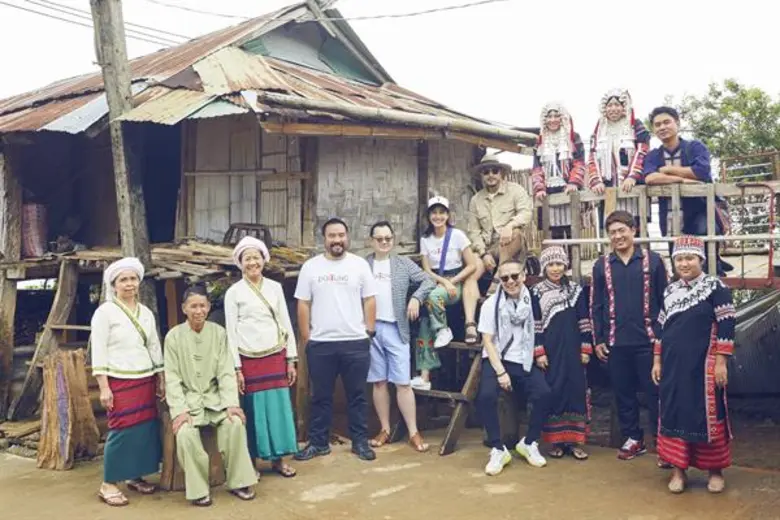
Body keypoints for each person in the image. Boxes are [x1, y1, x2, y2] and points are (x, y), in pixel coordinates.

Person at [652, 236, 735, 494]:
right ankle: (678, 470)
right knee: (674, 412)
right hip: (673, 367)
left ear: (701, 260)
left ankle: (715, 471)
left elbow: (727, 324)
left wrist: (721, 362)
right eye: (679, 259)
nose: (684, 264)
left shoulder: (715, 287)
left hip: (703, 366)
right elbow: (661, 329)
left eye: (689, 258)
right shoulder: (670, 290)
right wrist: (657, 360)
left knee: (709, 415)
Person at [294, 218, 378, 461]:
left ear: (347, 236)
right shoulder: (311, 267)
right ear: (325, 239)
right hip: (321, 344)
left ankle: (360, 442)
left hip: (355, 342)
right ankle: (318, 442)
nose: (337, 240)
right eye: (332, 236)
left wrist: (369, 331)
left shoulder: (359, 265)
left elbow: (370, 299)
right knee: (320, 397)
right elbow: (303, 303)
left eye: (341, 235)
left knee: (358, 395)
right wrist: (307, 337)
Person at [164, 285, 257, 506]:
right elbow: (172, 378)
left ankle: (240, 481)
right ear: (184, 308)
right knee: (185, 433)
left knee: (235, 424)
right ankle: (198, 489)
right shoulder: (173, 337)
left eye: (202, 306)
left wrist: (231, 404)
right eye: (193, 306)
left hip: (215, 400)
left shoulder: (219, 333)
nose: (198, 311)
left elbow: (225, 372)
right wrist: (179, 411)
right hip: (189, 402)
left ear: (208, 307)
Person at [590, 210, 669, 464]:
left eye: (622, 230)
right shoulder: (601, 265)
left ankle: (665, 444)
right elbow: (596, 305)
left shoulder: (653, 261)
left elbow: (666, 300)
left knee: (655, 394)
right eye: (612, 232)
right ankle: (634, 439)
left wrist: (662, 337)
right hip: (615, 343)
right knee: (623, 394)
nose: (617, 236)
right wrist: (598, 339)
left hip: (648, 342)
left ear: (633, 230)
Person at [91, 257, 164, 507]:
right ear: (114, 285)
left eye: (133, 279)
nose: (129, 284)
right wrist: (104, 387)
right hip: (119, 380)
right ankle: (108, 483)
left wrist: (160, 377)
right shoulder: (105, 313)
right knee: (121, 429)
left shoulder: (146, 313)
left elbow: (154, 345)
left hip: (145, 378)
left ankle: (135, 475)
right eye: (123, 280)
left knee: (144, 429)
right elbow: (99, 350)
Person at [224, 236, 298, 478]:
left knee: (279, 408)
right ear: (240, 263)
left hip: (276, 355)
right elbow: (231, 332)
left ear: (264, 260)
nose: (252, 263)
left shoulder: (275, 288)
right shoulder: (233, 293)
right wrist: (236, 368)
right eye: (247, 259)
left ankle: (279, 460)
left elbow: (285, 323)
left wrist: (291, 359)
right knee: (253, 411)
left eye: (256, 257)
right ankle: (252, 463)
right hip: (248, 358)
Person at [475, 260, 553, 476]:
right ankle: (498, 448)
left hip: (523, 358)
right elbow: (487, 341)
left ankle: (529, 442)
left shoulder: (533, 301)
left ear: (523, 276)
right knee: (486, 396)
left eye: (515, 276)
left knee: (544, 393)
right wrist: (500, 372)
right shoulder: (491, 304)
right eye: (505, 278)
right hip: (498, 358)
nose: (510, 281)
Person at [365, 221, 436, 452]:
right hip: (371, 329)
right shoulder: (363, 265)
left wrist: (416, 298)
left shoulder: (403, 263)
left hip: (397, 328)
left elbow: (428, 280)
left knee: (403, 383)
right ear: (371, 241)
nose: (384, 242)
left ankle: (413, 431)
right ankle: (385, 429)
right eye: (379, 239)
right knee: (379, 382)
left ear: (393, 240)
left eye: (388, 238)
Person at [643, 106, 732, 275]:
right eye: (657, 124)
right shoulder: (654, 155)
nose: (662, 127)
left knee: (706, 261)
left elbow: (701, 172)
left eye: (667, 122)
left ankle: (715, 270)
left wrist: (666, 170)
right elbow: (649, 178)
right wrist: (682, 180)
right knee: (679, 266)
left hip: (700, 213)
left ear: (677, 123)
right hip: (669, 217)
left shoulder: (694, 147)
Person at [532, 246, 592, 461]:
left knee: (576, 390)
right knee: (554, 389)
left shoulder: (575, 290)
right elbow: (535, 324)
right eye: (551, 265)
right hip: (551, 352)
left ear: (565, 266)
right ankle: (556, 442)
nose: (555, 269)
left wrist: (585, 348)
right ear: (544, 268)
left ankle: (575, 442)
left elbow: (584, 320)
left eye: (559, 264)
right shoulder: (536, 292)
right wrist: (539, 352)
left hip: (573, 351)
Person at [413, 196, 478, 390]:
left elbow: (472, 265)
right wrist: (443, 282)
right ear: (429, 216)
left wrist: (452, 282)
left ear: (448, 215)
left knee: (433, 297)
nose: (438, 216)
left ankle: (443, 329)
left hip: (455, 281)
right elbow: (427, 270)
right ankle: (425, 376)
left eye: (442, 212)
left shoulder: (457, 235)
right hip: (437, 281)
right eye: (434, 213)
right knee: (424, 324)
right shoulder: (425, 240)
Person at [467, 153, 533, 296]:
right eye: (486, 172)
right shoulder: (476, 200)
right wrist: (484, 254)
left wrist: (510, 225)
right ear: (481, 175)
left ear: (501, 173)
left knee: (515, 233)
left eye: (494, 171)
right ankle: (470, 309)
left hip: (510, 242)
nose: (490, 175)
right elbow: (474, 231)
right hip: (487, 247)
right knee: (471, 273)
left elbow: (526, 213)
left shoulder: (516, 190)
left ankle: (495, 287)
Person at [588, 88, 652, 228]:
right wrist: (596, 181)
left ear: (624, 106)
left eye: (617, 104)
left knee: (635, 227)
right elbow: (592, 156)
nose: (613, 109)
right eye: (609, 105)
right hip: (607, 187)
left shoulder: (635, 125)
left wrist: (632, 176)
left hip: (632, 188)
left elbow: (642, 151)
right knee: (610, 227)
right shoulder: (600, 128)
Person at [530, 102, 587, 239]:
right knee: (553, 232)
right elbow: (537, 168)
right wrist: (539, 188)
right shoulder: (540, 142)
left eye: (556, 116)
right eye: (549, 117)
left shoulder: (573, 138)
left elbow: (579, 163)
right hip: (548, 191)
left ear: (562, 118)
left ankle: (573, 253)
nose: (553, 120)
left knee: (573, 229)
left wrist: (573, 182)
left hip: (569, 189)